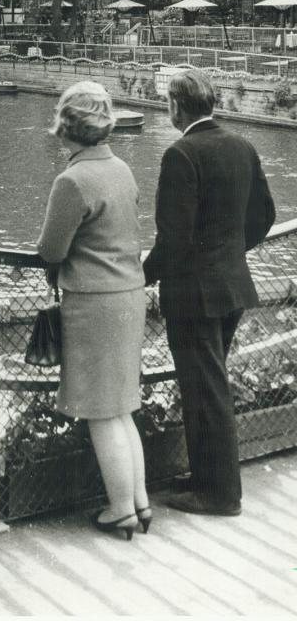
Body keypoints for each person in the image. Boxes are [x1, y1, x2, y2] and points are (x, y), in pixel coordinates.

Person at [144, 69, 275, 517]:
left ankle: (219, 495)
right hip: (232, 286)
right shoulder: (243, 145)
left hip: (195, 294)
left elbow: (173, 240)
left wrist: (142, 275)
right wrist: (230, 254)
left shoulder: (181, 154)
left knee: (205, 392)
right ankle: (207, 478)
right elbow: (265, 216)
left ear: (176, 106)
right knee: (207, 388)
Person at [37, 81, 148, 541]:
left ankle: (120, 510)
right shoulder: (121, 168)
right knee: (122, 407)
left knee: (102, 411)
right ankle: (140, 503)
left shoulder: (72, 180)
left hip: (94, 302)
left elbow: (50, 249)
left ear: (66, 126)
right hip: (129, 294)